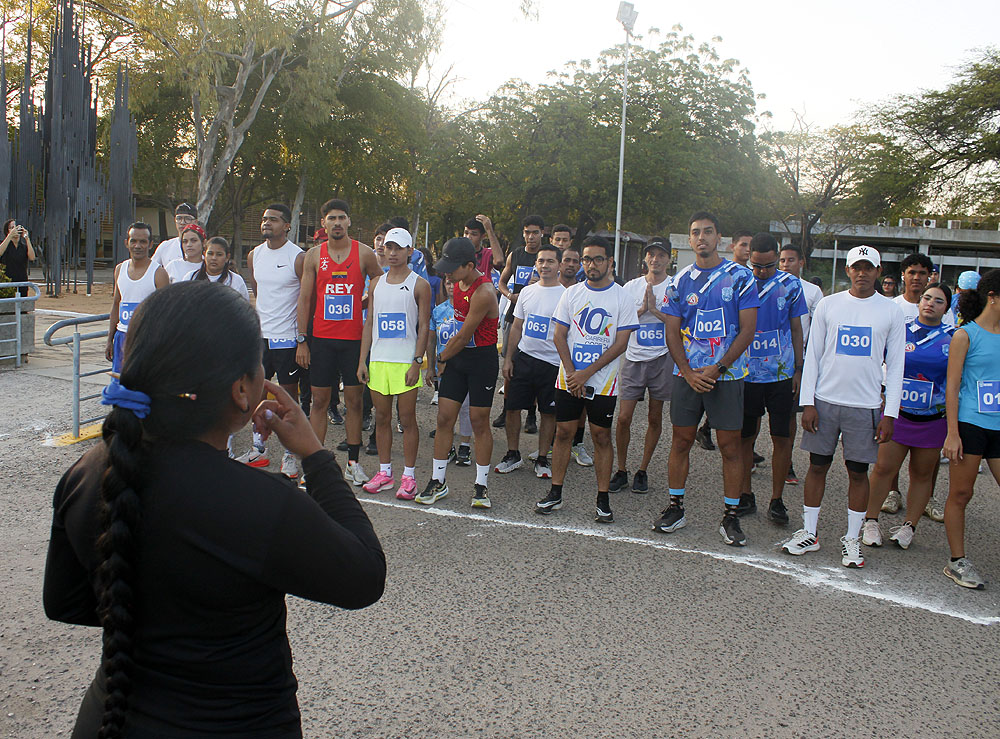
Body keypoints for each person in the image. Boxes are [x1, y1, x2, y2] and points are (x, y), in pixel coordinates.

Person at [43, 281, 385, 738]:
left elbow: (63, 601)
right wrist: (317, 457)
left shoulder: (87, 473)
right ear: (243, 391)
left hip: (109, 719)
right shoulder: (261, 502)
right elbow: (364, 576)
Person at [783, 245, 905, 568]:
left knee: (858, 472)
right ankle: (810, 532)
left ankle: (852, 538)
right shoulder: (829, 304)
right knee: (817, 466)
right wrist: (808, 402)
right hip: (825, 402)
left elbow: (896, 366)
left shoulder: (891, 311)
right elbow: (813, 356)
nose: (862, 273)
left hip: (865, 406)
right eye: (856, 267)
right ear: (848, 270)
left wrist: (889, 414)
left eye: (868, 267)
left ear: (878, 271)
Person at [656, 212, 759, 546]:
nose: (702, 237)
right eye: (696, 232)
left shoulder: (740, 277)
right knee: (681, 441)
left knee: (730, 446)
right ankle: (675, 508)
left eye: (708, 232)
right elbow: (671, 331)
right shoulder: (679, 281)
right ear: (689, 240)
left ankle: (731, 516)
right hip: (687, 376)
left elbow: (748, 330)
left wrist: (719, 367)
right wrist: (687, 371)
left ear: (719, 239)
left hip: (726, 376)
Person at [535, 235, 638, 523]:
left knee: (601, 436)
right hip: (568, 379)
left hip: (603, 381)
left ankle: (603, 499)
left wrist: (586, 373)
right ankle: (555, 492)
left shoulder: (622, 297)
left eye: (598, 259)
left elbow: (621, 344)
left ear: (610, 262)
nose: (592, 265)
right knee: (563, 434)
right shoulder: (571, 294)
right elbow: (559, 335)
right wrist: (572, 373)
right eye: (587, 259)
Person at [295, 199, 382, 486]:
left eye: (342, 217)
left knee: (354, 402)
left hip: (353, 341)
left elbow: (381, 283)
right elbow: (305, 299)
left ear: (349, 221)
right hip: (321, 340)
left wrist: (363, 303)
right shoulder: (313, 255)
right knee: (319, 401)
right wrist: (302, 340)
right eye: (331, 218)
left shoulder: (364, 253)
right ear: (324, 223)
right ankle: (315, 467)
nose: (337, 223)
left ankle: (353, 464)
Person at [862, 283, 954, 550]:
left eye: (938, 301)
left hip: (933, 419)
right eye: (927, 298)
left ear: (946, 308)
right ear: (919, 301)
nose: (930, 303)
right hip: (898, 415)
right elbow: (878, 364)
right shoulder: (900, 330)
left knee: (922, 474)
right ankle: (870, 520)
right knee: (883, 468)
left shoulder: (953, 338)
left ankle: (909, 526)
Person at [418, 237, 500, 508]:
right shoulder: (459, 283)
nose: (448, 274)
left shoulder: (484, 291)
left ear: (469, 266)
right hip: (457, 356)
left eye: (453, 268)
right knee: (444, 418)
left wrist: (440, 360)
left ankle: (481, 486)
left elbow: (465, 336)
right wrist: (444, 359)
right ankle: (437, 481)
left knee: (479, 421)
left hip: (480, 360)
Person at [736, 233, 807, 524]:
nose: (762, 272)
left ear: (777, 258)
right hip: (747, 374)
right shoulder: (740, 281)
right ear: (749, 258)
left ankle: (777, 500)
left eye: (768, 266)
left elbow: (796, 329)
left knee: (781, 438)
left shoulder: (791, 285)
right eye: (756, 266)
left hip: (781, 375)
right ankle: (745, 494)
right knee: (745, 438)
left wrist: (799, 369)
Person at [357, 228, 431, 499]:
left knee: (408, 419)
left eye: (398, 248)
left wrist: (417, 362)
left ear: (410, 251)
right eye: (389, 247)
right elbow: (369, 323)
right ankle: (385, 473)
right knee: (382, 418)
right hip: (378, 361)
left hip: (405, 363)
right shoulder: (376, 283)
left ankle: (409, 477)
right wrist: (363, 361)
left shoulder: (419, 284)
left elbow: (424, 326)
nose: (392, 253)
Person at [941, 269, 1000, 589]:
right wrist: (952, 433)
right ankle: (957, 561)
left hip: (999, 425)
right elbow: (952, 387)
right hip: (971, 423)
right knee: (962, 493)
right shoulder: (965, 335)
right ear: (992, 297)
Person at [884, 252, 955, 518]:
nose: (916, 277)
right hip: (897, 394)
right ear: (903, 276)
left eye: (922, 273)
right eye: (911, 272)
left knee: (927, 458)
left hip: (932, 400)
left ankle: (928, 497)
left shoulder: (945, 313)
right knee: (889, 455)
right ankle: (892, 492)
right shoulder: (893, 307)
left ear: (929, 277)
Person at [238, 204, 306, 479]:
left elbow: (306, 298)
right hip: (261, 338)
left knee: (288, 398)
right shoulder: (254, 255)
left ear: (286, 225)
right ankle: (259, 448)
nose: (267, 223)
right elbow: (258, 291)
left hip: (287, 338)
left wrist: (302, 339)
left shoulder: (298, 257)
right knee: (256, 394)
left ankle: (291, 454)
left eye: (274, 220)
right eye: (265, 219)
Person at [609, 238, 674, 495]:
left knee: (654, 417)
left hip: (662, 357)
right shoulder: (631, 287)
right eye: (651, 255)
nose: (655, 259)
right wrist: (642, 310)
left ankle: (642, 470)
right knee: (623, 417)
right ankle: (621, 469)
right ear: (645, 258)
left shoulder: (674, 286)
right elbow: (620, 321)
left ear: (669, 259)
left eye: (661, 255)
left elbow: (679, 324)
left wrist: (655, 311)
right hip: (634, 357)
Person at [497, 243, 565, 478]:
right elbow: (517, 327)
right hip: (524, 358)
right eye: (541, 261)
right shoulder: (527, 292)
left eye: (550, 261)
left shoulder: (567, 295)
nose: (545, 265)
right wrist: (508, 359)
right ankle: (512, 453)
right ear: (536, 264)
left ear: (559, 265)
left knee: (548, 413)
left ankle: (543, 458)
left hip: (553, 364)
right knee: (512, 408)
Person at [695, 229, 753, 452]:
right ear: (731, 246)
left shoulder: (747, 277)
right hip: (702, 362)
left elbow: (748, 326)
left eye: (751, 246)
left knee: (734, 432)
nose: (748, 249)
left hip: (736, 361)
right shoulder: (714, 276)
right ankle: (706, 429)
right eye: (743, 244)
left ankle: (746, 446)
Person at [778, 243, 825, 484]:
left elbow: (818, 328)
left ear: (801, 262)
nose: (786, 265)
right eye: (782, 260)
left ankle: (787, 463)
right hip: (768, 358)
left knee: (789, 415)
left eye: (791, 260)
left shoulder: (812, 291)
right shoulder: (769, 286)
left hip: (798, 360)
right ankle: (750, 455)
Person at [495, 216, 545, 429]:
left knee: (535, 366)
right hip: (514, 315)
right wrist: (510, 296)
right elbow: (501, 282)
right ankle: (506, 410)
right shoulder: (515, 255)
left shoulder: (547, 256)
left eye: (535, 232)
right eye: (527, 232)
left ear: (542, 233)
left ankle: (531, 415)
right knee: (510, 364)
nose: (531, 236)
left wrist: (541, 283)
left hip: (538, 317)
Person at [105, 223, 169, 374]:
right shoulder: (119, 269)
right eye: (133, 241)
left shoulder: (159, 273)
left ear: (151, 244)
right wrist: (110, 339)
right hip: (122, 337)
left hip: (146, 339)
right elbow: (116, 304)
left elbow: (166, 313)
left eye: (143, 241)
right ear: (126, 243)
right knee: (119, 382)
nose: (137, 246)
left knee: (142, 384)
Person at [426, 276, 474, 465]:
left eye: (455, 282)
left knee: (466, 408)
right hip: (444, 368)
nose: (452, 286)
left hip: (466, 366)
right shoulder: (438, 311)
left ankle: (465, 446)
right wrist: (430, 367)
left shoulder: (471, 308)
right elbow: (431, 340)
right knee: (446, 411)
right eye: (448, 283)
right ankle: (449, 446)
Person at [150, 202, 198, 269]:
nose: (182, 222)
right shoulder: (165, 246)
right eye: (179, 218)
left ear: (195, 222)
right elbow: (151, 269)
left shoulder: (201, 247)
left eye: (187, 219)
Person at [0, 219, 37, 296]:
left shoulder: (23, 247)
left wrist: (27, 238)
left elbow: (32, 257)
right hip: (7, 283)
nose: (15, 230)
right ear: (7, 231)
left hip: (22, 282)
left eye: (16, 227)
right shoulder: (4, 244)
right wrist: (10, 235)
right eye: (12, 227)